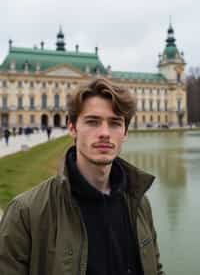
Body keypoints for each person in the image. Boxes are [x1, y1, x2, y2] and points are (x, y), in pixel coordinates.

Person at [0, 79, 164, 275]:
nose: (104, 133)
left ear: (125, 131)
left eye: (115, 123)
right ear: (72, 127)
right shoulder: (24, 213)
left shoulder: (140, 203)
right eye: (92, 122)